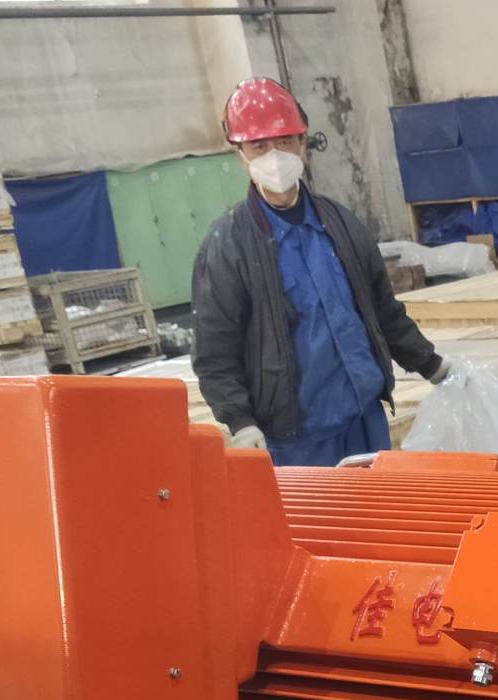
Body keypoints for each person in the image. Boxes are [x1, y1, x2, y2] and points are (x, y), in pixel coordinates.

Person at [192, 77, 449, 466]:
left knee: (379, 506)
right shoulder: (228, 245)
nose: (275, 156)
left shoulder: (341, 224)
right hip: (297, 442)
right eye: (259, 146)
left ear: (303, 143)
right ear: (239, 153)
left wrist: (433, 365)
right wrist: (240, 421)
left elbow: (383, 312)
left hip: (366, 421)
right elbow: (215, 352)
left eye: (285, 141)